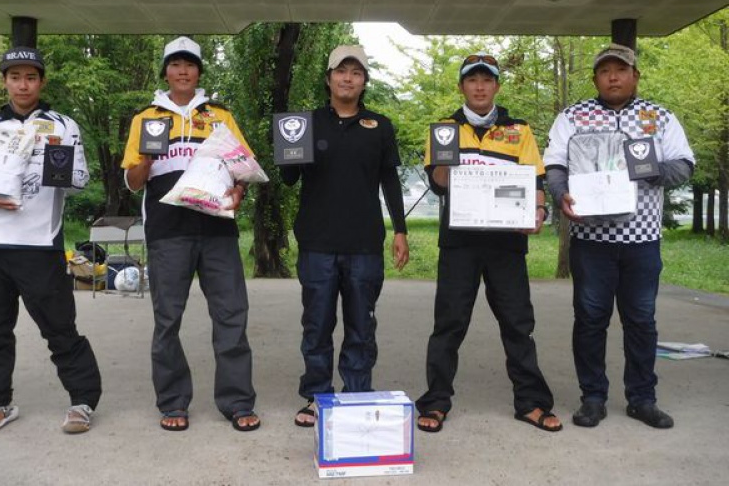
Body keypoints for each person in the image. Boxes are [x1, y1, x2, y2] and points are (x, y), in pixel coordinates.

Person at [544, 43, 695, 429]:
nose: (613, 76)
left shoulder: (659, 117)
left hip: (642, 241)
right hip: (591, 241)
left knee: (642, 320)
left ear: (635, 76)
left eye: (621, 70)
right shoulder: (574, 116)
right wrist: (560, 194)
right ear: (595, 77)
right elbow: (554, 164)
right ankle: (592, 397)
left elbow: (684, 165)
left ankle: (642, 398)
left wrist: (652, 170)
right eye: (605, 70)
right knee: (590, 319)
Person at [0, 46, 102, 434]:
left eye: (31, 77)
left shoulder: (63, 126)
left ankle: (82, 401)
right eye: (15, 77)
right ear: (4, 81)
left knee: (60, 328)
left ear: (42, 81)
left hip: (40, 244)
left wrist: (59, 169)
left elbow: (82, 181)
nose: (23, 85)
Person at [415, 53, 561, 433]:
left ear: (496, 85)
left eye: (487, 80)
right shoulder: (444, 128)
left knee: (518, 323)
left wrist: (539, 211)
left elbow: (536, 180)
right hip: (459, 241)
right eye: (472, 80)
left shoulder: (520, 129)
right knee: (448, 324)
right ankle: (435, 402)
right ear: (462, 86)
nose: (479, 86)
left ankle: (531, 402)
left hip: (506, 242)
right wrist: (454, 163)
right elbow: (439, 181)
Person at [121, 36, 260, 432]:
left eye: (190, 65)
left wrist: (239, 189)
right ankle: (173, 402)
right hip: (167, 232)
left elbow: (241, 168)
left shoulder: (219, 116)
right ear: (165, 71)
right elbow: (132, 181)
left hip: (217, 230)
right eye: (175, 64)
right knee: (167, 321)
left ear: (199, 71)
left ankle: (236, 402)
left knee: (232, 316)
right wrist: (147, 158)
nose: (183, 71)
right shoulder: (145, 118)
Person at [281, 45, 410, 427]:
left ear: (365, 81)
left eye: (356, 72)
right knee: (317, 325)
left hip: (365, 245)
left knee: (361, 325)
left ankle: (356, 396)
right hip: (317, 243)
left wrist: (400, 230)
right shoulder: (303, 123)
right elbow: (289, 179)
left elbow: (390, 180)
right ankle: (317, 396)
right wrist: (289, 152)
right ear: (328, 78)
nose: (348, 78)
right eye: (341, 71)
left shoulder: (380, 126)